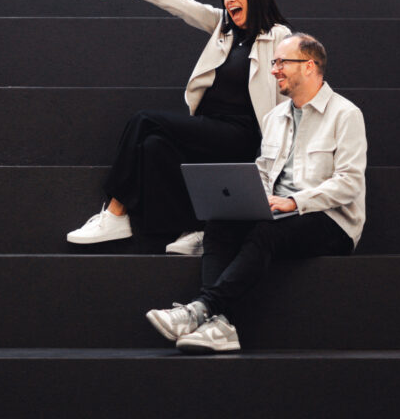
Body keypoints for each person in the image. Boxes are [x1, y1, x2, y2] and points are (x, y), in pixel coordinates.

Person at [145, 33, 367, 352]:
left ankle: (201, 310)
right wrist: (250, 201)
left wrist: (293, 201)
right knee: (220, 224)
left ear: (309, 66)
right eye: (273, 62)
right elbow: (264, 170)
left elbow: (349, 183)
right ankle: (221, 327)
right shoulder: (274, 117)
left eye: (281, 62)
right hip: (278, 213)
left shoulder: (345, 114)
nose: (274, 69)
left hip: (331, 222)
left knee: (267, 231)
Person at [67, 0, 292, 255]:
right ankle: (195, 228)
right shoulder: (222, 27)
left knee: (144, 120)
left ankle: (115, 211)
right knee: (153, 145)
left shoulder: (278, 36)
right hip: (209, 127)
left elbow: (289, 92)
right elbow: (184, 6)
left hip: (242, 133)